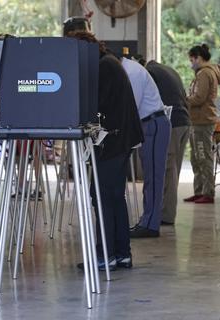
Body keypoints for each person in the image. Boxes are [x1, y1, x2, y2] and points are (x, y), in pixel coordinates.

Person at [66, 29, 144, 270]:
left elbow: (95, 106)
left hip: (112, 141)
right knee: (113, 197)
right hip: (119, 140)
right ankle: (122, 254)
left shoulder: (103, 67)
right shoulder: (108, 62)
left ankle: (105, 255)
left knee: (100, 196)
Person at [123, 57, 171, 238]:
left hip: (153, 124)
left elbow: (130, 107)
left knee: (153, 178)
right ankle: (148, 220)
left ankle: (150, 225)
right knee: (151, 177)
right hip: (150, 124)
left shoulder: (131, 72)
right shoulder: (130, 68)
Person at [146, 60, 190, 225]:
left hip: (172, 122)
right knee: (174, 171)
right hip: (185, 121)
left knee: (167, 170)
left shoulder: (149, 72)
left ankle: (165, 215)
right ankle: (168, 212)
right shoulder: (170, 71)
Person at [184, 44, 220, 204]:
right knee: (196, 158)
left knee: (203, 157)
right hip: (198, 120)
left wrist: (183, 100)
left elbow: (199, 98)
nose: (191, 63)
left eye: (192, 59)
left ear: (199, 58)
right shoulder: (204, 73)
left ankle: (208, 192)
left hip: (203, 121)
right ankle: (199, 191)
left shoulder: (205, 73)